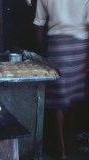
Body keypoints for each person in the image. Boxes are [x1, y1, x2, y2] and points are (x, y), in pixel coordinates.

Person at [33, 0, 89, 159]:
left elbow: (39, 24)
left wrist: (45, 51)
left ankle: (61, 147)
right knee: (75, 94)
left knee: (59, 97)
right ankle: (69, 137)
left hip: (57, 46)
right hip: (81, 46)